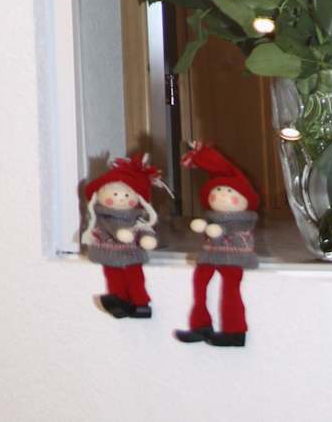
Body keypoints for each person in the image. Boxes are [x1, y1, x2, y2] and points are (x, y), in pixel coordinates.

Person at [175, 143, 258, 348]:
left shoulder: (243, 221)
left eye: (228, 191)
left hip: (234, 258)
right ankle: (200, 325)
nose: (221, 195)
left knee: (231, 291)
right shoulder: (213, 218)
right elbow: (210, 232)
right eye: (217, 190)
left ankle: (235, 332)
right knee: (200, 282)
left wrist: (217, 232)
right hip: (211, 256)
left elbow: (232, 236)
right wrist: (204, 227)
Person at [80, 154, 162, 319]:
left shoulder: (136, 219)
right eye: (115, 194)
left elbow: (143, 229)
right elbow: (104, 230)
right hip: (108, 253)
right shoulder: (101, 219)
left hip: (131, 253)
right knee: (113, 276)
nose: (121, 199)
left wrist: (146, 238)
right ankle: (120, 301)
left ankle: (141, 304)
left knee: (135, 276)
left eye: (126, 195)